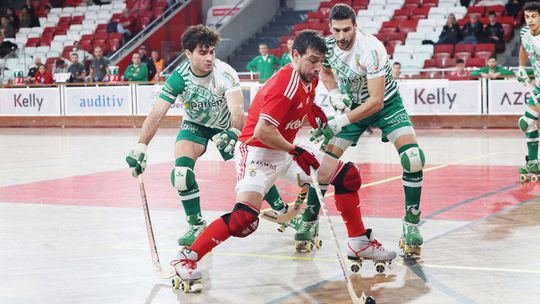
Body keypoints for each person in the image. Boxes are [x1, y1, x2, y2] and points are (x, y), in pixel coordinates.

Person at [171, 30, 396, 288]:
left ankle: (359, 242)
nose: (317, 67)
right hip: (256, 151)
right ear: (295, 55)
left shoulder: (308, 77)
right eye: (313, 60)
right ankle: (186, 258)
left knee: (348, 176)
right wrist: (296, 150)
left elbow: (304, 103)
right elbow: (262, 132)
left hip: (284, 147)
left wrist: (316, 114)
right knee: (244, 218)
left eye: (321, 61)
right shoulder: (283, 86)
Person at [309, 4, 426, 256]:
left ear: (355, 26)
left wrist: (338, 121)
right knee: (322, 166)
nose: (342, 36)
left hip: (386, 106)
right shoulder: (327, 47)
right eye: (337, 30)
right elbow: (326, 73)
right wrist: (335, 94)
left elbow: (376, 102)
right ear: (330, 28)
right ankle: (308, 221)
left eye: (347, 30)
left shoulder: (371, 49)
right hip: (352, 106)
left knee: (413, 158)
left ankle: (411, 222)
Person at [126, 25, 250, 247]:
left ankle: (283, 210)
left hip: (225, 126)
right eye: (203, 53)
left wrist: (233, 131)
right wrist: (141, 146)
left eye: (212, 51)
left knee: (253, 171)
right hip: (195, 125)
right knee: (182, 174)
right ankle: (196, 223)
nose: (209, 57)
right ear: (188, 54)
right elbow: (156, 113)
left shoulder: (224, 72)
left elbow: (237, 110)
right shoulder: (179, 77)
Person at [516, 2, 540, 180]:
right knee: (527, 123)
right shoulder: (524, 33)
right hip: (538, 85)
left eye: (534, 16)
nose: (530, 20)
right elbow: (523, 49)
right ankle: (533, 162)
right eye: (527, 16)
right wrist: (522, 68)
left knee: (527, 120)